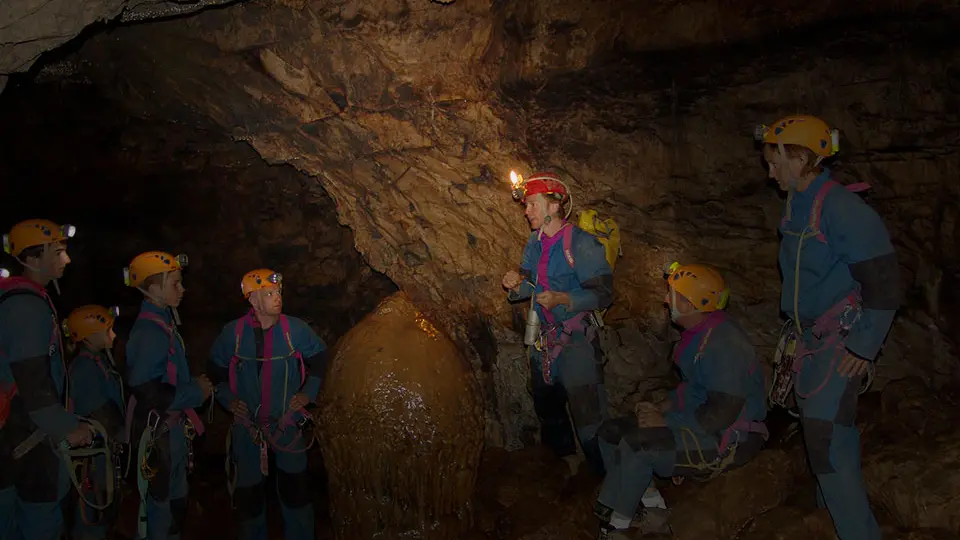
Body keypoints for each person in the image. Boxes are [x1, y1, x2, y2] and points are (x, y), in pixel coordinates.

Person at [757, 115, 900, 540]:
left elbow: (885, 283)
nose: (770, 171)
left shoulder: (842, 208)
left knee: (826, 439)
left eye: (776, 162)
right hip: (810, 341)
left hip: (840, 341)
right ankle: (829, 520)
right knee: (827, 435)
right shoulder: (797, 203)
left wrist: (863, 347)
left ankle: (858, 532)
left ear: (801, 159)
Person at [592, 262, 768, 539]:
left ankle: (618, 526)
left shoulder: (724, 343)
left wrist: (664, 422)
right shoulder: (701, 334)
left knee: (639, 446)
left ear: (688, 304)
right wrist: (662, 407)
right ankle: (654, 507)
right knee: (610, 433)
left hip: (730, 437)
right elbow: (694, 390)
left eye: (671, 295)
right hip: (701, 419)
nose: (665, 299)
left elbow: (721, 413)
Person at [501, 171, 613, 476]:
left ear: (554, 206)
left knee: (589, 418)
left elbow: (603, 294)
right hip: (544, 342)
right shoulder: (534, 242)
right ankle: (563, 467)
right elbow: (530, 282)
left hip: (577, 343)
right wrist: (515, 285)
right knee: (548, 410)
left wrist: (564, 299)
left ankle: (605, 479)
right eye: (526, 205)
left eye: (532, 204)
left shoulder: (582, 245)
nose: (527, 211)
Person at [208, 268, 328, 540]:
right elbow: (214, 369)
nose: (278, 298)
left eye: (279, 293)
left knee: (296, 491)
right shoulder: (233, 334)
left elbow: (320, 358)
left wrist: (308, 393)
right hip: (247, 428)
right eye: (269, 294)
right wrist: (229, 400)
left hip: (286, 423)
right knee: (249, 497)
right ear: (252, 300)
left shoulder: (295, 330)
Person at [0, 219, 95, 540]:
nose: (66, 260)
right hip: (25, 438)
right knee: (38, 523)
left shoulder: (21, 299)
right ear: (31, 258)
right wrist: (67, 427)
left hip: (13, 436)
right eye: (57, 252)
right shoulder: (26, 307)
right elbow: (34, 384)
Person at [123, 251, 213, 540]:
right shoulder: (150, 332)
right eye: (175, 284)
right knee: (160, 509)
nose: (182, 289)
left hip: (169, 430)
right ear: (153, 289)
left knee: (173, 506)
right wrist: (195, 392)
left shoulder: (164, 323)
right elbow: (148, 391)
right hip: (158, 432)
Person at [63, 304, 127, 540]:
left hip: (101, 457)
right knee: (91, 517)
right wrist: (127, 439)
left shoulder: (97, 362)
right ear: (90, 335)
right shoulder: (85, 368)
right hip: (91, 461)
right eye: (108, 330)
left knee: (101, 512)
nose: (114, 335)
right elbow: (101, 415)